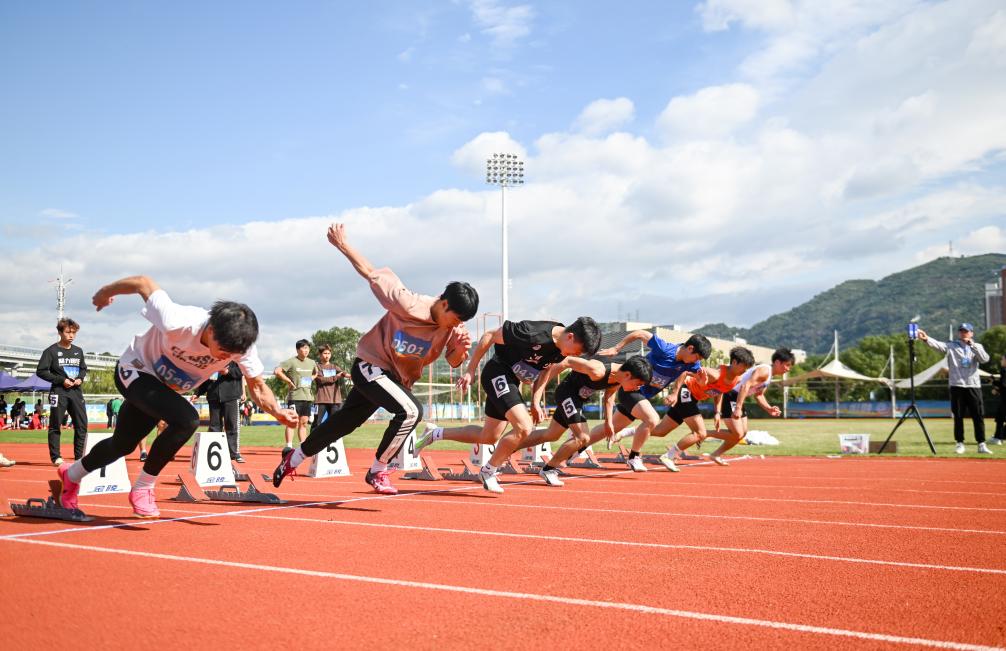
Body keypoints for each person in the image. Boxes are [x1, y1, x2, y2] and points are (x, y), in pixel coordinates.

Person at [54, 275, 297, 518]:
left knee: (123, 445)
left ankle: (71, 474)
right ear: (211, 330)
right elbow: (143, 282)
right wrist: (107, 292)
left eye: (232, 355)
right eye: (223, 351)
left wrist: (277, 411)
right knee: (187, 419)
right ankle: (143, 488)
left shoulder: (241, 347)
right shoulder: (179, 321)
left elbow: (257, 386)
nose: (226, 358)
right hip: (136, 369)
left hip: (163, 389)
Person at [272, 223, 478, 495]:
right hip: (370, 366)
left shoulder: (452, 328)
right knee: (411, 412)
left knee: (344, 422)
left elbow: (453, 360)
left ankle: (293, 458)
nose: (457, 325)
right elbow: (370, 272)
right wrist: (343, 244)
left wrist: (460, 350)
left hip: (393, 379)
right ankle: (378, 470)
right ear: (444, 303)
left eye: (462, 322)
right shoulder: (407, 302)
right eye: (456, 318)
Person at [415, 316, 602, 494]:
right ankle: (488, 471)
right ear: (570, 337)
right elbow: (489, 335)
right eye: (577, 351)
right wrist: (470, 371)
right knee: (524, 427)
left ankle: (434, 433)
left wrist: (536, 400)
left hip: (512, 382)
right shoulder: (532, 332)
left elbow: (546, 371)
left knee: (488, 436)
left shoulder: (560, 349)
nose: (574, 356)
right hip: (497, 372)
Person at [620, 346, 755, 471]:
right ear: (734, 362)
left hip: (692, 399)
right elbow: (684, 372)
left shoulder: (736, 379)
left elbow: (719, 391)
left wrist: (717, 412)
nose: (745, 371)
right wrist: (674, 393)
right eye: (744, 367)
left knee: (661, 431)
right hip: (686, 392)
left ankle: (627, 431)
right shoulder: (715, 373)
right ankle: (669, 456)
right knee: (700, 433)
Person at [594, 331, 712, 471]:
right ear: (690, 348)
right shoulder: (664, 349)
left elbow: (690, 375)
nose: (696, 361)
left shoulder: (691, 363)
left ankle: (579, 446)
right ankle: (634, 457)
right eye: (696, 357)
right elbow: (639, 334)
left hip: (642, 397)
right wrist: (616, 348)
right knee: (652, 419)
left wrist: (701, 383)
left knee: (611, 428)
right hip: (630, 389)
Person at [527, 355, 652, 486]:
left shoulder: (619, 377)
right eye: (638, 384)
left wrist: (608, 422)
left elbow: (609, 396)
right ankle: (548, 469)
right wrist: (537, 395)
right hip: (566, 393)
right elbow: (566, 361)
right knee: (583, 437)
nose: (638, 388)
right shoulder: (598, 370)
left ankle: (513, 444)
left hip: (577, 400)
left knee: (551, 434)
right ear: (627, 375)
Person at [918, 323, 991, 454]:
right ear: (959, 333)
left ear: (971, 333)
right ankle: (959, 443)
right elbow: (939, 345)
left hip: (973, 385)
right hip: (957, 386)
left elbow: (985, 359)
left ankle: (981, 444)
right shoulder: (952, 345)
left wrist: (972, 346)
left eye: (966, 331)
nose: (963, 333)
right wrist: (926, 338)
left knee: (978, 416)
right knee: (958, 416)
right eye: (961, 331)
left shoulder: (977, 346)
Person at [36, 318, 89, 466]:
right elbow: (41, 371)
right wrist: (61, 380)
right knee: (55, 424)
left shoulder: (78, 351)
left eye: (74, 332)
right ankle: (56, 457)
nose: (71, 335)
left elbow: (83, 368)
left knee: (82, 425)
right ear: (60, 332)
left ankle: (79, 457)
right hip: (58, 392)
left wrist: (80, 378)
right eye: (67, 332)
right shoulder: (51, 351)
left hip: (76, 392)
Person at [196, 360, 246, 462]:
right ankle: (214, 454)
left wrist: (228, 372)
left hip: (231, 396)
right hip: (213, 397)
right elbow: (205, 378)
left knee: (231, 425)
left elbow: (242, 371)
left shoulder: (235, 356)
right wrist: (197, 393)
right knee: (214, 427)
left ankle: (234, 454)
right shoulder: (211, 358)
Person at [274, 340, 317, 456]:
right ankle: (288, 446)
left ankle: (303, 446)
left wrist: (311, 379)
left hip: (307, 397)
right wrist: (288, 381)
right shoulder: (291, 361)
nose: (306, 350)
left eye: (307, 348)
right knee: (292, 422)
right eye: (303, 348)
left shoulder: (312, 362)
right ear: (298, 350)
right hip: (294, 397)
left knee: (304, 423)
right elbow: (277, 371)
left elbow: (316, 373)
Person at [313, 344, 349, 430]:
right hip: (321, 400)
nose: (327, 355)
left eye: (329, 353)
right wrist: (337, 376)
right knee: (317, 423)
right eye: (325, 353)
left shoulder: (334, 367)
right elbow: (322, 380)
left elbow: (343, 373)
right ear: (320, 354)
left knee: (334, 423)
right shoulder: (317, 367)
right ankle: (314, 439)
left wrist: (350, 375)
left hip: (335, 401)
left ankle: (331, 439)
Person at [991, 354, 1006, 445]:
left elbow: (1003, 384)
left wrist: (994, 382)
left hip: (1005, 400)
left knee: (1000, 418)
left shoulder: (1004, 370)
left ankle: (997, 438)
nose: (1001, 360)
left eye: (1002, 359)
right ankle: (1001, 436)